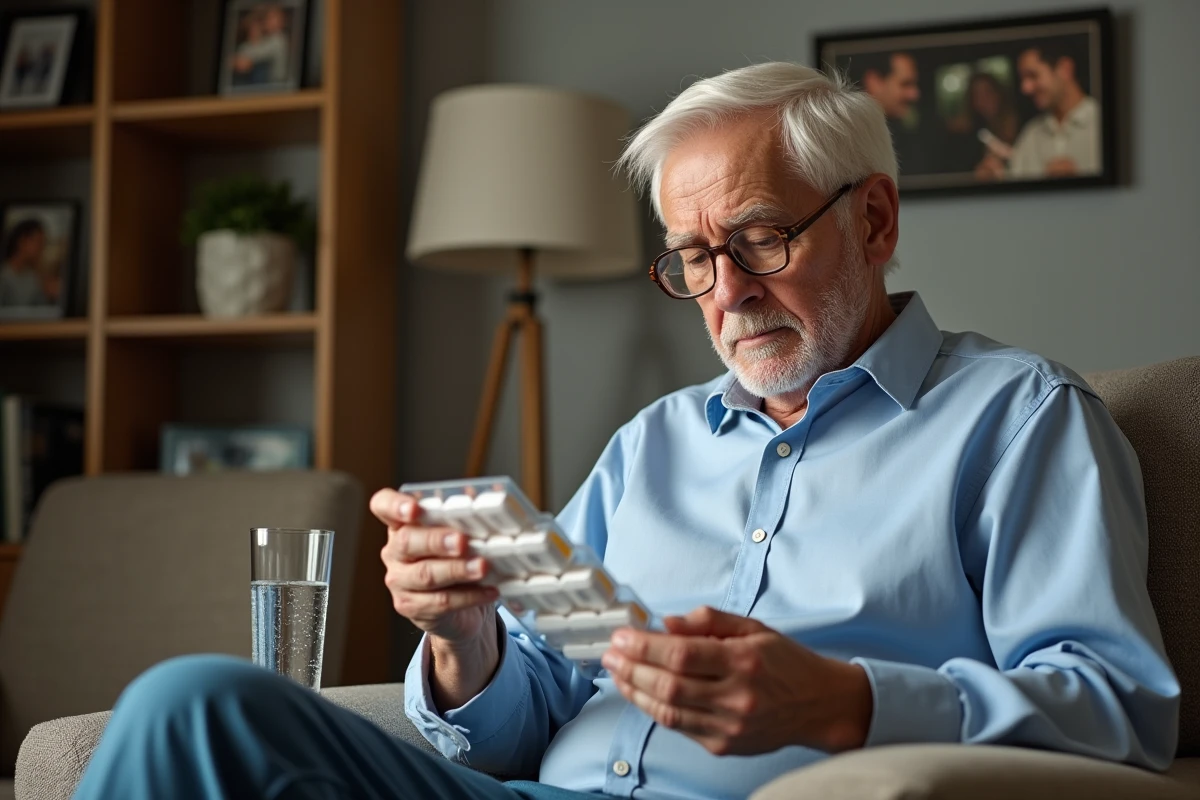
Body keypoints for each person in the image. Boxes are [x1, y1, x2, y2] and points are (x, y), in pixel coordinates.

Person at [72, 61, 1179, 799]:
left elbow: (1122, 710)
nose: (725, 292)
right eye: (693, 259)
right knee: (190, 704)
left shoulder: (1019, 417)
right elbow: (526, 714)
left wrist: (847, 699)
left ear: (875, 218)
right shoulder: (654, 443)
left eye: (757, 237)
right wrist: (464, 641)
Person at [1006, 39, 1101, 179]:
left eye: (1033, 75)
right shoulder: (1030, 134)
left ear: (1065, 69)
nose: (1025, 88)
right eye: (1022, 79)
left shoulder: (1104, 123)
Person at [0, 218, 53, 307]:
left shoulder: (33, 278)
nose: (41, 249)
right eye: (39, 243)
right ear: (22, 241)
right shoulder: (4, 276)